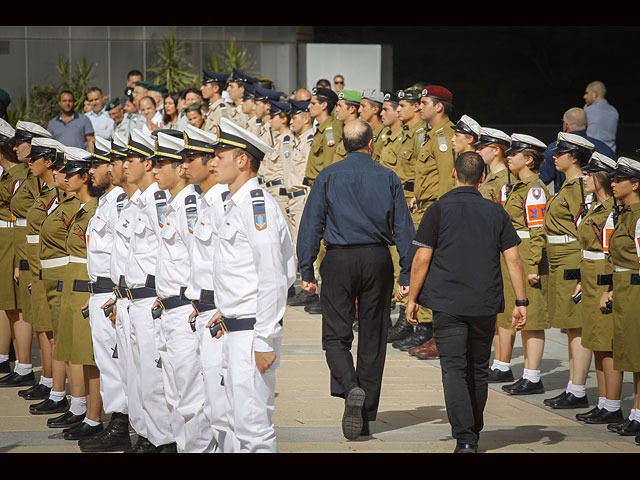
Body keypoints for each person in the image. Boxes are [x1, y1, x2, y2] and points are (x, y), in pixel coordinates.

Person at [297, 118, 416, 440]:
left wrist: (306, 268)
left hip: (338, 259)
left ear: (345, 145)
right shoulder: (388, 177)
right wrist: (407, 271)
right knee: (374, 337)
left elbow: (311, 223)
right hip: (377, 259)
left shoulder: (328, 175)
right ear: (371, 143)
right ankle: (363, 417)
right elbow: (404, 228)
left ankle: (349, 387)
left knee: (335, 336)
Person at [406, 151, 528, 453]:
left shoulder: (437, 210)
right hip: (484, 302)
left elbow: (422, 258)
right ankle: (473, 429)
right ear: (483, 179)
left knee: (454, 368)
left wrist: (412, 298)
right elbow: (513, 259)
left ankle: (464, 437)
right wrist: (521, 301)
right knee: (477, 367)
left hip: (447, 302)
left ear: (454, 175)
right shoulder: (496, 212)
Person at [207, 117, 295, 452]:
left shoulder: (257, 206)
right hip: (235, 327)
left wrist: (265, 339)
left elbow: (273, 276)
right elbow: (240, 272)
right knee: (234, 420)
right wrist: (224, 308)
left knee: (253, 426)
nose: (212, 162)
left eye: (220, 155)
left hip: (251, 332)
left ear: (242, 160)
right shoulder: (236, 204)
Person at [148, 131, 216, 453]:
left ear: (180, 169)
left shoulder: (191, 206)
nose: (154, 170)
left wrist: (197, 301)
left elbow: (199, 261)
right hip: (168, 311)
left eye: (162, 163)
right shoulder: (173, 206)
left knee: (191, 398)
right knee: (174, 395)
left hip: (184, 310)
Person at [180, 125, 236, 452]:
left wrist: (222, 307)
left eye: (192, 158)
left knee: (220, 406)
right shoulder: (205, 200)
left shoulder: (223, 203)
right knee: (200, 400)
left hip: (220, 315)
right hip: (202, 310)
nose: (184, 166)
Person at [74, 137, 131, 452]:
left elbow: (124, 255)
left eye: (96, 165)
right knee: (107, 363)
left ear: (113, 167)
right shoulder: (106, 203)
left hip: (113, 295)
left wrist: (111, 292)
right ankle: (115, 422)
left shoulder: (120, 202)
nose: (90, 171)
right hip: (101, 293)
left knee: (115, 365)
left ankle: (121, 424)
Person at [121, 128, 175, 453]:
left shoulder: (157, 200)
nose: (125, 166)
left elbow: (165, 251)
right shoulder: (137, 202)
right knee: (137, 377)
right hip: (131, 301)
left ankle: (162, 441)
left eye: (131, 159)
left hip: (149, 301)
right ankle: (145, 436)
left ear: (147, 162)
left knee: (154, 382)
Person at [543, 132, 595, 409]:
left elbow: (584, 229)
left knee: (576, 327)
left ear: (574, 158)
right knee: (570, 327)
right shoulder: (568, 186)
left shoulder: (578, 189)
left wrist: (580, 269)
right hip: (560, 258)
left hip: (571, 260)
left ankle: (577, 389)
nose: (554, 155)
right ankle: (572, 387)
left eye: (560, 152)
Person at [572, 152, 625, 425]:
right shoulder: (594, 207)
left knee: (608, 343)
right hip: (590, 277)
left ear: (600, 178)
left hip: (604, 277)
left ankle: (613, 405)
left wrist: (610, 286)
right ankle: (603, 402)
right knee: (595, 342)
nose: (584, 178)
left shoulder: (614, 210)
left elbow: (612, 253)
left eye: (589, 174)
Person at [55, 146, 103, 441]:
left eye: (72, 173)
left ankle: (94, 417)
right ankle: (85, 412)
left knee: (90, 357)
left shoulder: (95, 211)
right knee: (79, 355)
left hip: (85, 286)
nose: (66, 178)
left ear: (85, 177)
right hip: (73, 286)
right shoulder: (82, 210)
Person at [0, 121, 52, 389]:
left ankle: (42, 378)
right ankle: (40, 378)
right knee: (27, 312)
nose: (16, 146)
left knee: (34, 314)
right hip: (22, 247)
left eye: (22, 142)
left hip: (33, 251)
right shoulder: (27, 176)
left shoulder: (32, 178)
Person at [499, 134, 551, 393]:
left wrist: (533, 266)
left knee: (532, 320)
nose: (508, 157)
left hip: (527, 255)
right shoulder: (519, 187)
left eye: (514, 154)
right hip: (515, 255)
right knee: (520, 319)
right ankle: (528, 374)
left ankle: (533, 376)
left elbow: (538, 230)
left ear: (528, 159)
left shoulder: (535, 189)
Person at [390, 87, 431, 354]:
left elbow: (424, 175)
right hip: (402, 202)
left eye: (403, 105)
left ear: (417, 107)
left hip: (417, 204)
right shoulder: (405, 135)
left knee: (416, 263)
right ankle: (406, 317)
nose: (396, 110)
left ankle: (421, 325)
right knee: (401, 262)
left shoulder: (422, 136)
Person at [602, 157, 640, 437]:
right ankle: (635, 413)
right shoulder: (626, 212)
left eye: (619, 179)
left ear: (635, 184)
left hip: (636, 291)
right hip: (626, 289)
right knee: (630, 354)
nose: (613, 183)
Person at [540, 107, 617, 193]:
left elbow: (542, 179)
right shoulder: (604, 147)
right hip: (600, 200)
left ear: (565, 125)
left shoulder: (553, 148)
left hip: (567, 200)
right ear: (587, 126)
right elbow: (615, 175)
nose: (556, 156)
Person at [0, 120, 19, 375]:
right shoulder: (8, 176)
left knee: (13, 304)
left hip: (11, 238)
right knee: (4, 301)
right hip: (5, 237)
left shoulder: (18, 177)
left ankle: (15, 360)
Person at [583, 81, 619, 152]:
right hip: (610, 153)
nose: (584, 96)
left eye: (587, 93)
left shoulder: (588, 111)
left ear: (595, 94)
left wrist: (584, 111)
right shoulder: (614, 111)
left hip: (593, 154)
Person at [358, 89, 387, 163]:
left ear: (375, 109)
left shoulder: (386, 135)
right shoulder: (362, 133)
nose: (359, 110)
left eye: (363, 106)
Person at [333, 90, 361, 163]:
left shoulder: (358, 133)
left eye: (340, 106)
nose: (336, 110)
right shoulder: (342, 129)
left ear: (352, 109)